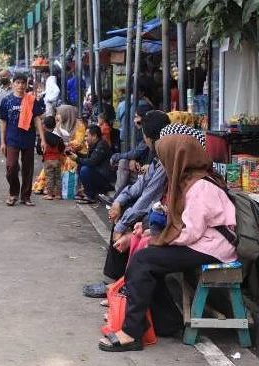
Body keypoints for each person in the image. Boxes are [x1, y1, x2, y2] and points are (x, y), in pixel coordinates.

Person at [98, 132, 236, 352]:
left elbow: (190, 232)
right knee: (148, 259)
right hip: (202, 242)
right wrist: (151, 235)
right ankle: (167, 322)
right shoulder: (188, 180)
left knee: (144, 260)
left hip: (212, 248)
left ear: (179, 157)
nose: (163, 163)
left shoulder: (200, 186)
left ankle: (131, 333)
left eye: (165, 158)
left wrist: (158, 239)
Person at [82, 111, 172, 298]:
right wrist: (118, 202)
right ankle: (114, 283)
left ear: (150, 138)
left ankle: (115, 285)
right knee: (122, 214)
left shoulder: (165, 163)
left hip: (163, 215)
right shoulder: (157, 159)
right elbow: (138, 186)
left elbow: (148, 198)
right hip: (157, 210)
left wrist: (123, 222)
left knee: (125, 222)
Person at [0, 73, 46, 206]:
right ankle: (13, 192)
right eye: (18, 83)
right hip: (12, 138)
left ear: (26, 85)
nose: (20, 86)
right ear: (13, 84)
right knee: (11, 167)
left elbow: (37, 119)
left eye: (23, 83)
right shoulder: (6, 101)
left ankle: (25, 196)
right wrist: (2, 141)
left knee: (28, 169)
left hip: (28, 138)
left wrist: (42, 139)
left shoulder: (32, 100)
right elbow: (3, 122)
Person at [110, 104, 153, 198]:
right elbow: (136, 151)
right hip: (141, 169)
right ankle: (117, 198)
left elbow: (138, 152)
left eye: (137, 117)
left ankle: (118, 198)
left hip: (148, 174)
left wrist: (117, 156)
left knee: (123, 162)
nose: (135, 120)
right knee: (124, 162)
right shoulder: (140, 132)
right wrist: (134, 159)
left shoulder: (151, 134)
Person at [67, 125, 114, 204]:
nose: (85, 138)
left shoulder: (101, 145)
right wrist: (76, 154)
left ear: (94, 136)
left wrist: (76, 158)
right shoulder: (95, 144)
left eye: (87, 136)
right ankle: (88, 191)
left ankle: (90, 196)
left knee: (85, 169)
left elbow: (91, 162)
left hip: (105, 181)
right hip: (98, 175)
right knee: (81, 166)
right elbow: (88, 158)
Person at [41, 115, 65, 200]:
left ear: (44, 125)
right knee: (58, 177)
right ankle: (58, 194)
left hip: (48, 160)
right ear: (54, 126)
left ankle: (50, 194)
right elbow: (62, 148)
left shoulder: (43, 137)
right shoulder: (58, 138)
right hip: (57, 160)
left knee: (49, 177)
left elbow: (39, 149)